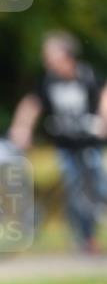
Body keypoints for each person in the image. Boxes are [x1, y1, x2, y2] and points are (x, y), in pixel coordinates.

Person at [8, 31, 107, 253]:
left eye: (51, 55)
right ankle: (86, 239)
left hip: (89, 144)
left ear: (66, 55)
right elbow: (32, 104)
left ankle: (91, 230)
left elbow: (104, 95)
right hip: (66, 146)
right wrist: (21, 128)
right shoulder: (48, 81)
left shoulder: (87, 76)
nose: (47, 60)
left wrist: (103, 119)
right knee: (74, 190)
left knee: (98, 187)